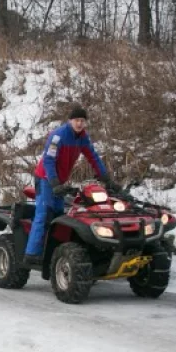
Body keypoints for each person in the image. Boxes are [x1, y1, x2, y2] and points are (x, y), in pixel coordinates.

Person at [24, 106, 112, 266]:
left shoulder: (83, 138)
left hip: (60, 180)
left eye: (82, 121)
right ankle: (32, 254)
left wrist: (106, 177)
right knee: (44, 213)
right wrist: (54, 182)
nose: (79, 123)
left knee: (59, 215)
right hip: (45, 178)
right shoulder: (58, 136)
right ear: (70, 121)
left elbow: (93, 157)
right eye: (77, 120)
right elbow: (49, 161)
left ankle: (54, 252)